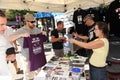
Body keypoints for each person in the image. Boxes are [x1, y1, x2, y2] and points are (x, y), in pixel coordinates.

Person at [8, 13, 47, 80]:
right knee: (28, 76)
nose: (33, 23)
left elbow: (42, 37)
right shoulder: (21, 30)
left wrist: (43, 33)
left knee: (39, 75)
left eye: (34, 21)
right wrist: (21, 35)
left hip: (37, 56)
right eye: (31, 22)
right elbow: (9, 38)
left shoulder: (36, 29)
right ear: (26, 21)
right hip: (27, 58)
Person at [0, 10, 13, 79]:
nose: (5, 27)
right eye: (1, 24)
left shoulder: (2, 37)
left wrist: (6, 58)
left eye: (5, 24)